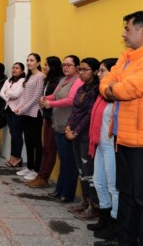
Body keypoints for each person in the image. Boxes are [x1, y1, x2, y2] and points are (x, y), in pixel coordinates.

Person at [99, 11, 143, 246]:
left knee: (140, 197)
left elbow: (130, 89)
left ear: (141, 30)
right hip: (121, 137)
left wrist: (113, 88)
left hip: (140, 140)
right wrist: (112, 87)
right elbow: (106, 82)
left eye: (127, 29)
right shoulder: (125, 57)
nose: (123, 34)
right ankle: (123, 240)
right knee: (125, 193)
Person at [41, 55, 83, 203]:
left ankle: (68, 193)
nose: (65, 67)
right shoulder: (63, 80)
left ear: (77, 67)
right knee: (63, 160)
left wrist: (51, 104)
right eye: (64, 65)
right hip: (57, 124)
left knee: (69, 162)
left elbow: (71, 100)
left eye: (69, 65)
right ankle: (59, 190)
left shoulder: (77, 81)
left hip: (68, 126)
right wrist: (46, 99)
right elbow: (55, 95)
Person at [87, 58, 118, 241]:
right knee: (99, 182)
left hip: (111, 145)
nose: (99, 74)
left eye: (103, 71)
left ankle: (115, 223)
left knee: (113, 186)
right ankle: (104, 217)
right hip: (99, 143)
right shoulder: (101, 94)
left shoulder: (116, 96)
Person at [66, 57, 100, 220]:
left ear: (94, 72)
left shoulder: (96, 90)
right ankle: (85, 201)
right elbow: (75, 110)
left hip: (85, 135)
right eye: (80, 69)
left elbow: (89, 115)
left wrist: (76, 131)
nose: (81, 72)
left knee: (89, 172)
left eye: (85, 69)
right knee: (81, 170)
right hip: (75, 133)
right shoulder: (82, 87)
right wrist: (68, 126)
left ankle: (94, 206)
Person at [26, 56, 63, 188]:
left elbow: (58, 98)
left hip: (54, 117)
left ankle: (44, 176)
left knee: (50, 148)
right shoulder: (48, 79)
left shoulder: (59, 80)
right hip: (46, 116)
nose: (45, 67)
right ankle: (41, 175)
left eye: (47, 65)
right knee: (46, 147)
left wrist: (46, 101)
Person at [14, 53, 45, 181]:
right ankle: (30, 167)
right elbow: (25, 96)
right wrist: (19, 107)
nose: (28, 62)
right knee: (28, 141)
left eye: (32, 60)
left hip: (35, 113)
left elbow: (36, 97)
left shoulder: (40, 76)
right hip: (25, 113)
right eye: (27, 60)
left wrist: (23, 109)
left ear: (38, 63)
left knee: (37, 142)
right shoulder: (29, 76)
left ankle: (37, 170)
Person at [0, 62, 25, 167]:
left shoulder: (23, 81)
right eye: (13, 68)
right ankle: (12, 156)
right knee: (12, 134)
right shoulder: (8, 80)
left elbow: (16, 94)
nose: (14, 70)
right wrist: (8, 95)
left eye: (17, 68)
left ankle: (17, 157)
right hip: (8, 110)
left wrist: (7, 92)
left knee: (17, 135)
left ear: (22, 71)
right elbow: (1, 93)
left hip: (17, 110)